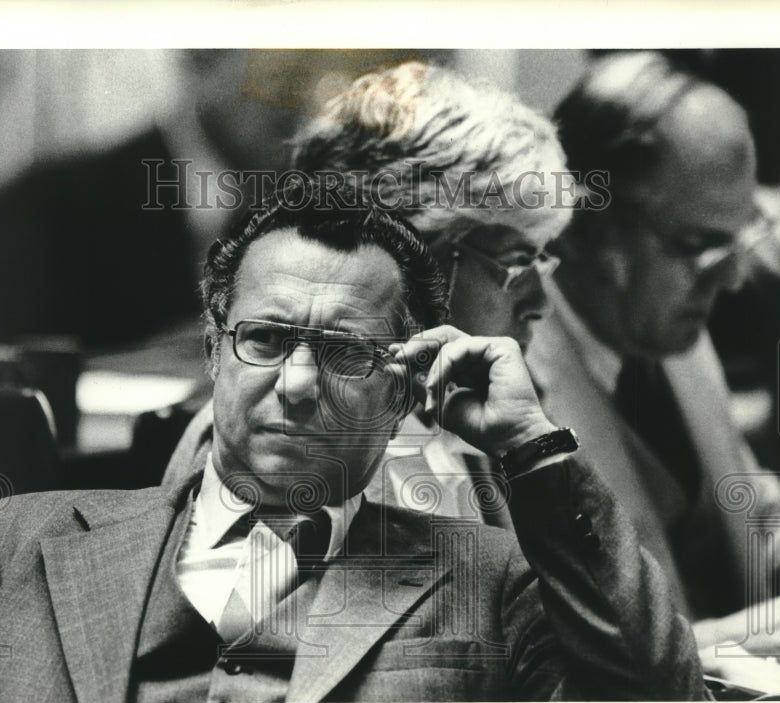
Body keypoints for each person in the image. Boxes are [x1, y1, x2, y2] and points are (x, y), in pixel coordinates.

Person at [0, 180, 703, 703]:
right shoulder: (15, 542)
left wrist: (532, 447)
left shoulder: (496, 579)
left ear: (403, 387)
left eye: (349, 353)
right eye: (267, 340)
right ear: (214, 350)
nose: (299, 384)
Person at [534, 52, 780, 692]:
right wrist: (748, 637)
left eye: (741, 237)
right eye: (699, 247)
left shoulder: (675, 334)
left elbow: (757, 526)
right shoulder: (508, 386)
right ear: (586, 225)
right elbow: (538, 664)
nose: (732, 279)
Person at [163, 60, 576, 528]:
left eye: (542, 260)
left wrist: (534, 446)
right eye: (516, 263)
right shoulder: (295, 433)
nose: (540, 302)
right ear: (415, 255)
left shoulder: (448, 408)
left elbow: (594, 598)